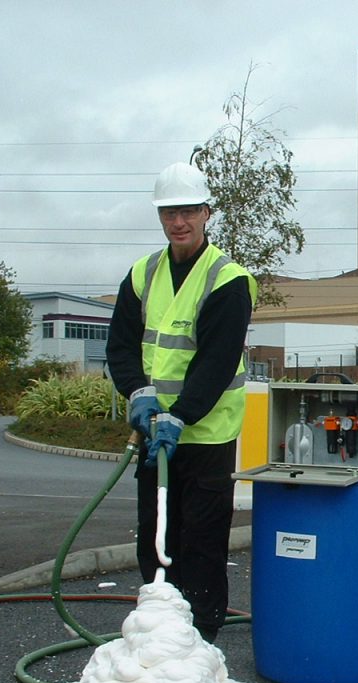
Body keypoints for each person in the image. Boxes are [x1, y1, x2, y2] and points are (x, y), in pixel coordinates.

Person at [105, 161, 256, 642]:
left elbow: (215, 364)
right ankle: (158, 628)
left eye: (189, 210)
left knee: (203, 539)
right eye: (169, 212)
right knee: (155, 533)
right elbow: (121, 347)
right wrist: (138, 395)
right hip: (155, 435)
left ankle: (202, 635)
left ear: (207, 213)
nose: (179, 221)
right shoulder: (142, 273)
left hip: (207, 433)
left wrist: (182, 415)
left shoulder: (228, 279)